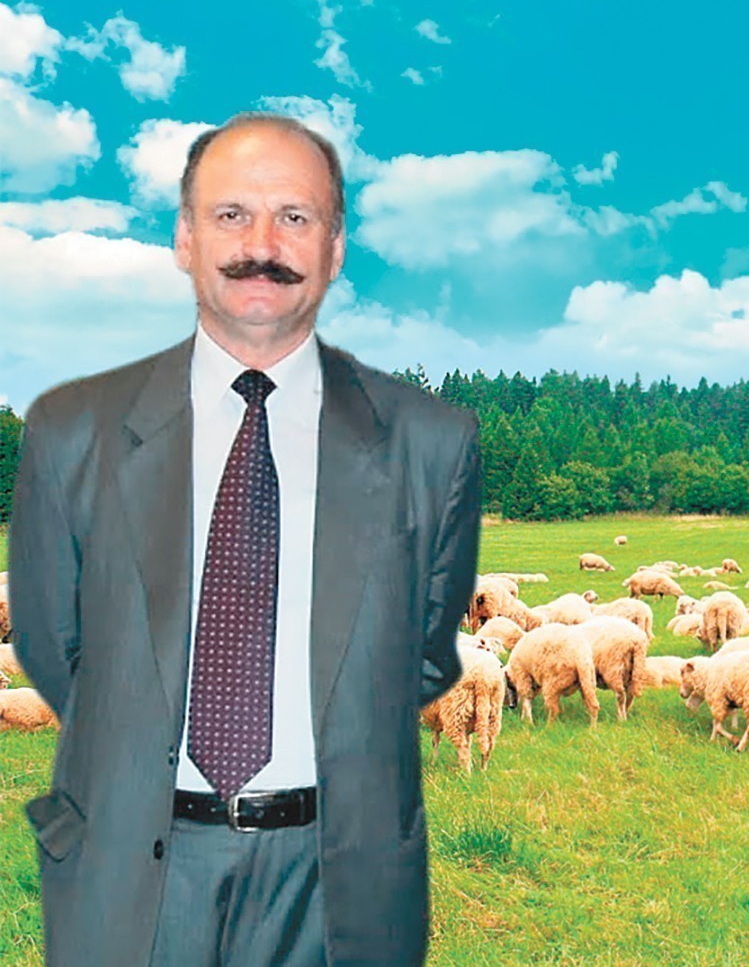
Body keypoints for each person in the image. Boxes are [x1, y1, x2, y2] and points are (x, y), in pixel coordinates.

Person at [8, 112, 481, 965]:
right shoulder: (73, 430)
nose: (261, 245)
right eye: (231, 214)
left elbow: (421, 657)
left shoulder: (431, 442)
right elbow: (49, 642)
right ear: (184, 239)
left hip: (338, 874)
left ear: (334, 248)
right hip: (133, 863)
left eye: (295, 217)